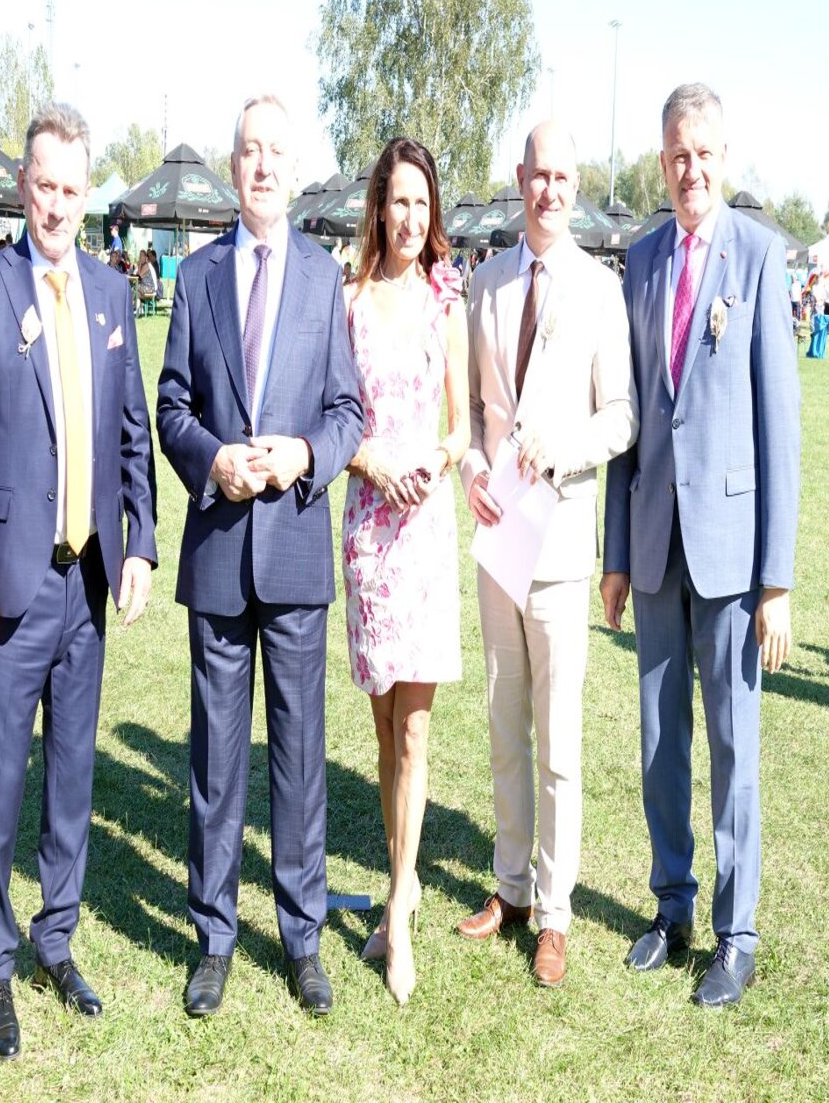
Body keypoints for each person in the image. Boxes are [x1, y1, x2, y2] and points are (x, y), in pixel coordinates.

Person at [0, 102, 157, 1059]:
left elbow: (132, 433)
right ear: (22, 187)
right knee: (0, 780)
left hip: (88, 585)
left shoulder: (112, 296)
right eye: (44, 187)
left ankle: (55, 938)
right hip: (11, 587)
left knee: (73, 779)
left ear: (85, 193)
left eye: (72, 189)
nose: (58, 206)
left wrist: (141, 542)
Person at [156, 95, 363, 1019]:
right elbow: (170, 406)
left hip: (294, 554)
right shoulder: (197, 276)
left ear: (294, 167)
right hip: (217, 552)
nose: (265, 166)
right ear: (233, 166)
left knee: (300, 758)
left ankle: (302, 938)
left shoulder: (323, 277)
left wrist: (304, 455)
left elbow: (347, 410)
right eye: (250, 151)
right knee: (214, 762)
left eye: (278, 152)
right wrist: (214, 461)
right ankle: (213, 938)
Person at [601, 83, 801, 1008]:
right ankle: (671, 906)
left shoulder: (758, 257)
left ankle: (737, 933)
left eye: (705, 153)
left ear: (725, 157)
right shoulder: (641, 261)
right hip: (652, 544)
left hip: (729, 550)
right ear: (662, 161)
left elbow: (780, 430)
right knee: (659, 741)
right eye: (678, 155)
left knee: (731, 744)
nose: (691, 170)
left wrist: (777, 581)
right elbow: (628, 420)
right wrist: (614, 553)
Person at [456, 120, 636, 989]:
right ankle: (511, 887)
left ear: (576, 186)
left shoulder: (602, 290)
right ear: (519, 178)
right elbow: (467, 412)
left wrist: (562, 449)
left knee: (559, 742)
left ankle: (556, 913)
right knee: (503, 728)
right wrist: (471, 468)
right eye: (539, 175)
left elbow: (622, 416)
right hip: (499, 541)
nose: (550, 190)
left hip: (562, 543)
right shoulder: (485, 283)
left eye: (564, 177)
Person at [341, 137, 468, 1006]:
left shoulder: (444, 302)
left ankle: (400, 911)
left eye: (423, 204)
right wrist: (371, 460)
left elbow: (464, 424)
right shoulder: (349, 301)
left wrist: (438, 460)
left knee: (416, 730)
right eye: (399, 202)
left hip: (422, 534)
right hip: (367, 531)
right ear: (380, 208)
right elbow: (332, 414)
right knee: (384, 732)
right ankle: (400, 886)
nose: (411, 218)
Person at [135, 250, 158, 316]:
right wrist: (139, 266)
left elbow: (139, 276)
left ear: (145, 257)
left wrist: (139, 265)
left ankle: (133, 309)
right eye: (140, 256)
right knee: (136, 292)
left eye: (142, 256)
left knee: (135, 287)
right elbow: (137, 275)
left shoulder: (147, 265)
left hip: (150, 288)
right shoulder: (143, 265)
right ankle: (138, 310)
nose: (140, 257)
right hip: (144, 287)